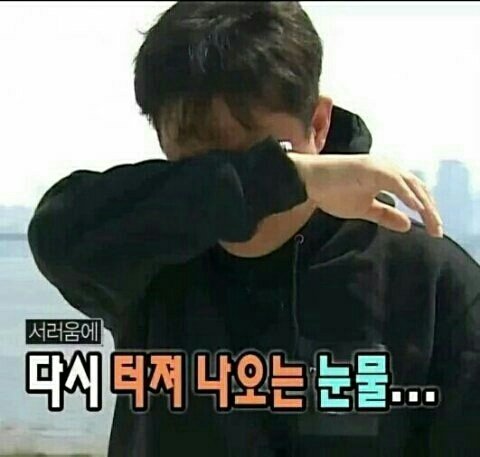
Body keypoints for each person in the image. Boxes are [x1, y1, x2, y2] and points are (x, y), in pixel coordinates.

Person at [27, 2, 480, 456]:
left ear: (318, 123)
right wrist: (279, 178)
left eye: (261, 152)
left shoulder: (429, 281)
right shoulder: (154, 254)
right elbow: (57, 234)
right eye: (203, 164)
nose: (246, 191)